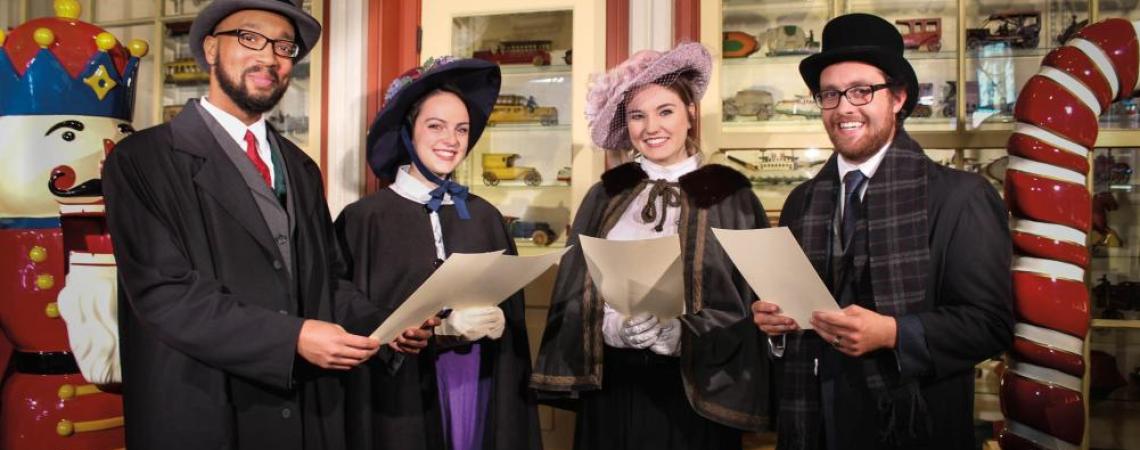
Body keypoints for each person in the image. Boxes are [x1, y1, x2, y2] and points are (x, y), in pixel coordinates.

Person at [102, 1, 433, 449]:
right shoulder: (142, 161)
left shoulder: (300, 167)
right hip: (203, 409)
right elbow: (166, 294)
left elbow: (327, 282)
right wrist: (292, 337)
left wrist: (387, 326)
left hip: (303, 413)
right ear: (211, 48)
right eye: (250, 37)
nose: (269, 56)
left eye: (283, 46)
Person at [751, 13, 1013, 450]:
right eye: (830, 94)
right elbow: (795, 315)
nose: (844, 108)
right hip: (815, 426)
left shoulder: (960, 198)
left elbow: (990, 325)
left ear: (897, 97)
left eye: (861, 91)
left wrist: (894, 333)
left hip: (915, 426)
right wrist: (775, 326)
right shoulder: (802, 201)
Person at [531, 42, 771, 450]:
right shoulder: (605, 195)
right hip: (615, 385)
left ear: (690, 113)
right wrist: (612, 327)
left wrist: (683, 333)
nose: (651, 128)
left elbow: (754, 303)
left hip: (698, 394)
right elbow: (573, 291)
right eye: (638, 116)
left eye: (665, 111)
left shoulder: (730, 194)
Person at [336, 57, 541, 450]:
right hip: (400, 396)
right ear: (408, 133)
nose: (452, 139)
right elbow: (345, 307)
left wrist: (500, 318)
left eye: (462, 129)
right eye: (436, 126)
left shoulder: (486, 217)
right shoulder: (363, 220)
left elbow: (510, 308)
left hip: (476, 380)